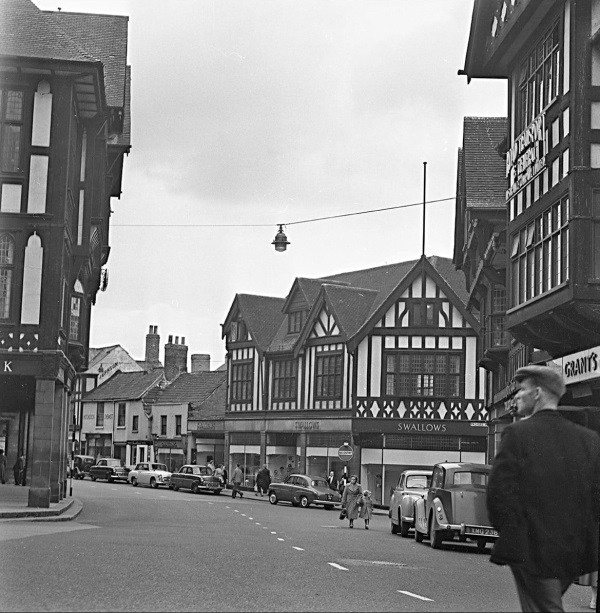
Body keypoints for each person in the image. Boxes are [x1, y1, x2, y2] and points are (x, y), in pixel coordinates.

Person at [487, 365, 600, 613]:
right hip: (574, 550)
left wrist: (513, 534)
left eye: (522, 390)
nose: (516, 396)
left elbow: (498, 493)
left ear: (537, 393)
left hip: (531, 550)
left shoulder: (517, 434)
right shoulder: (588, 440)